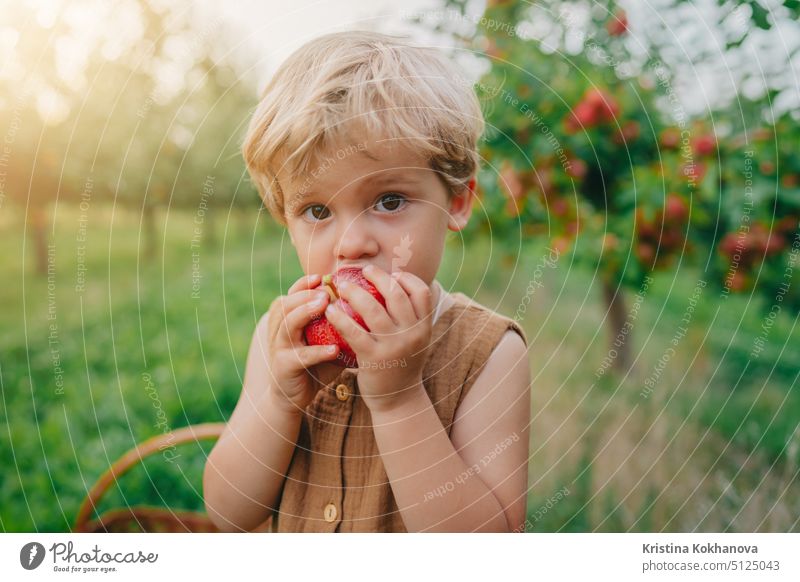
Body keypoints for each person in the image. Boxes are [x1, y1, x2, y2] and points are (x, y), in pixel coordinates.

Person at [203, 30, 531, 532]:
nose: (352, 244)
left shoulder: (488, 353)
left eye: (390, 201)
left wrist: (399, 399)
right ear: (284, 219)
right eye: (317, 210)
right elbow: (228, 513)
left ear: (457, 202)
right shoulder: (283, 337)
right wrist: (278, 404)